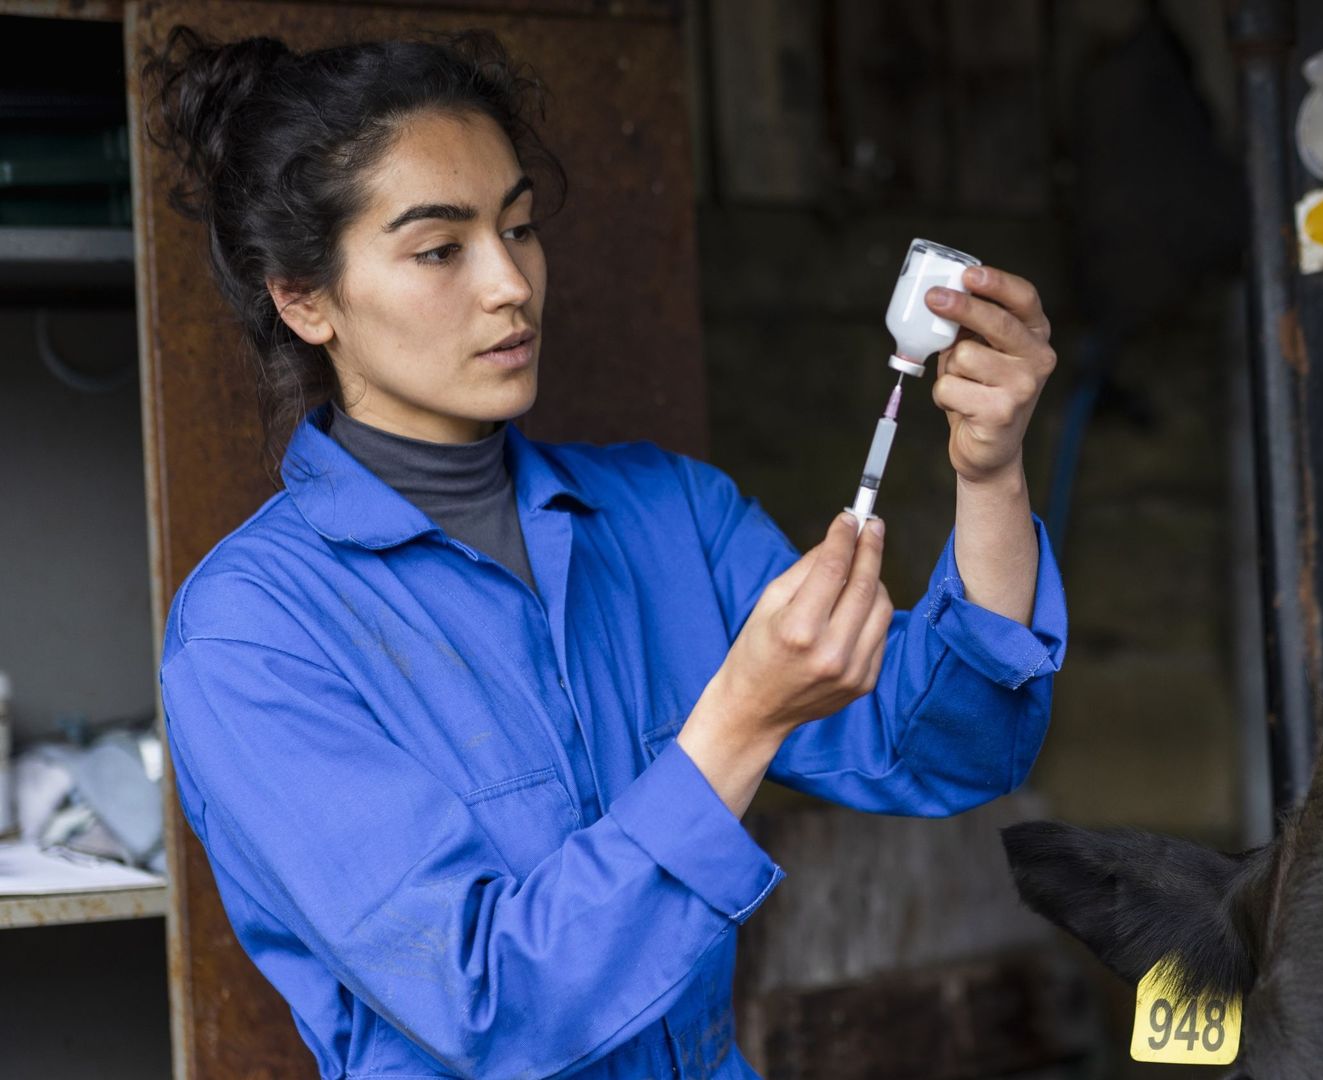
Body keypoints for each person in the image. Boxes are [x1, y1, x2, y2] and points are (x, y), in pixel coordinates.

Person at [143, 29, 1066, 1080]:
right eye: (440, 249)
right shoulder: (251, 637)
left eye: (519, 227)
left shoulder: (670, 515)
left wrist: (989, 476)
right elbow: (490, 1007)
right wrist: (739, 722)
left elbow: (950, 751)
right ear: (304, 299)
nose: (511, 283)